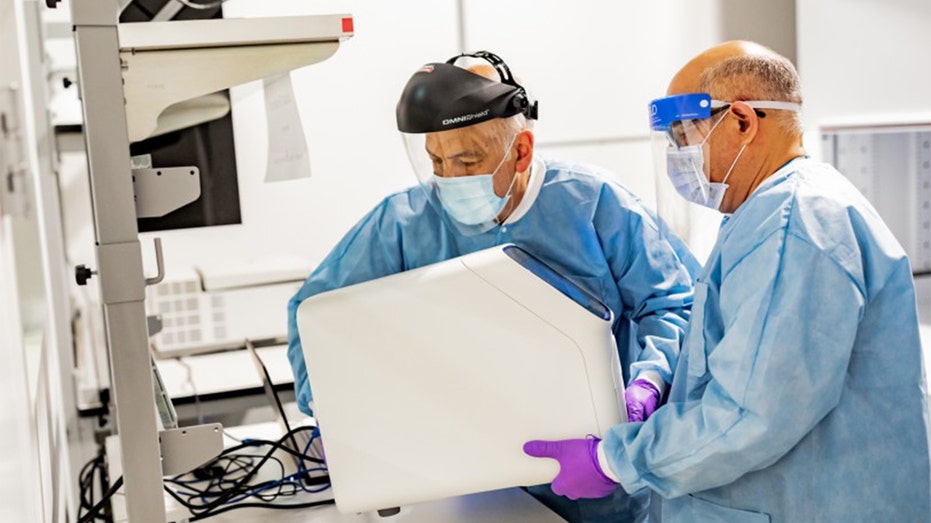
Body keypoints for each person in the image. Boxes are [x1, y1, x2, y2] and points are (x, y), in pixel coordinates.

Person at [523, 40, 931, 521]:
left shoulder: (793, 224)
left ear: (741, 121)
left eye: (684, 135)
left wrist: (614, 461)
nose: (678, 154)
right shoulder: (773, 211)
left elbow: (749, 414)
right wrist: (660, 381)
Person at [286, 51, 699, 522]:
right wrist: (337, 414)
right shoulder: (403, 222)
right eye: (436, 161)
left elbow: (672, 301)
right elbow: (315, 316)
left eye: (466, 160)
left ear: (521, 149)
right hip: (465, 476)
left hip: (599, 473)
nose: (448, 179)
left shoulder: (594, 203)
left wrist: (647, 385)